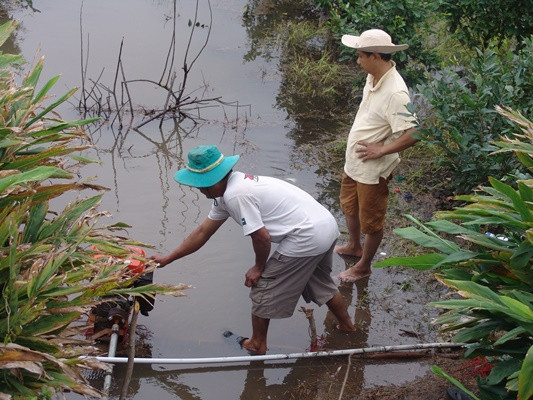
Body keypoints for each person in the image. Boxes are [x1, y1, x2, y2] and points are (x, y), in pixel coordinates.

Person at [152, 145, 356, 355]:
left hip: (305, 237)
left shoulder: (235, 195)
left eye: (204, 185)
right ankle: (347, 326)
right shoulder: (231, 189)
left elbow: (261, 237)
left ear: (219, 177)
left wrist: (259, 268)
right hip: (325, 226)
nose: (201, 191)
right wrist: (168, 258)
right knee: (318, 280)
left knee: (262, 287)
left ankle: (256, 344)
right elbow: (203, 232)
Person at [335, 29, 419, 283]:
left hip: (373, 167)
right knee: (349, 205)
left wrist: (381, 150)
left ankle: (364, 267)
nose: (357, 61)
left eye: (361, 56)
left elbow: (415, 133)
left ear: (376, 56)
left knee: (371, 220)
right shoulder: (373, 77)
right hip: (355, 161)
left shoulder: (396, 93)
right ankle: (353, 246)